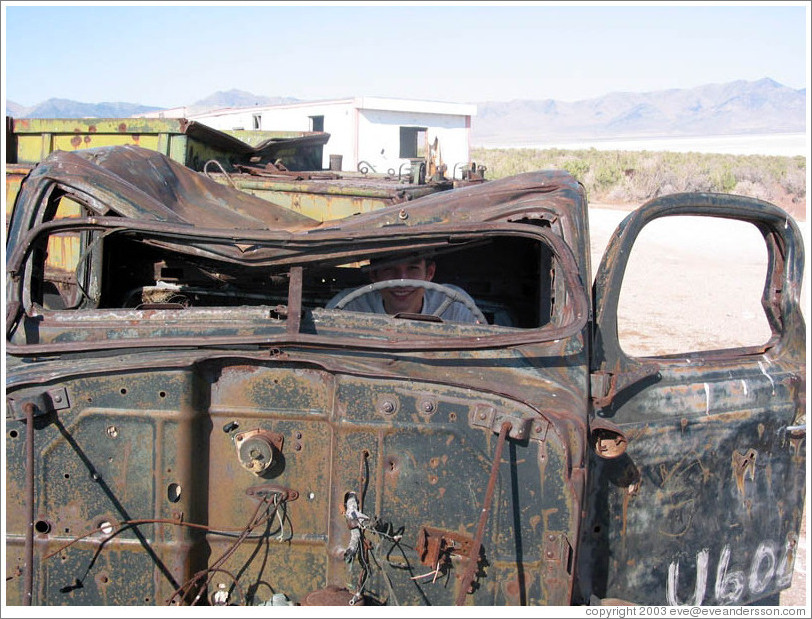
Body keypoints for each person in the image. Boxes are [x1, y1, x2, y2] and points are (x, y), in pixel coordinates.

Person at [326, 255, 483, 324]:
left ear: (429, 273)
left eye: (412, 268)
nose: (401, 280)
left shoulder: (456, 307)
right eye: (389, 269)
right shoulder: (348, 306)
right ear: (374, 274)